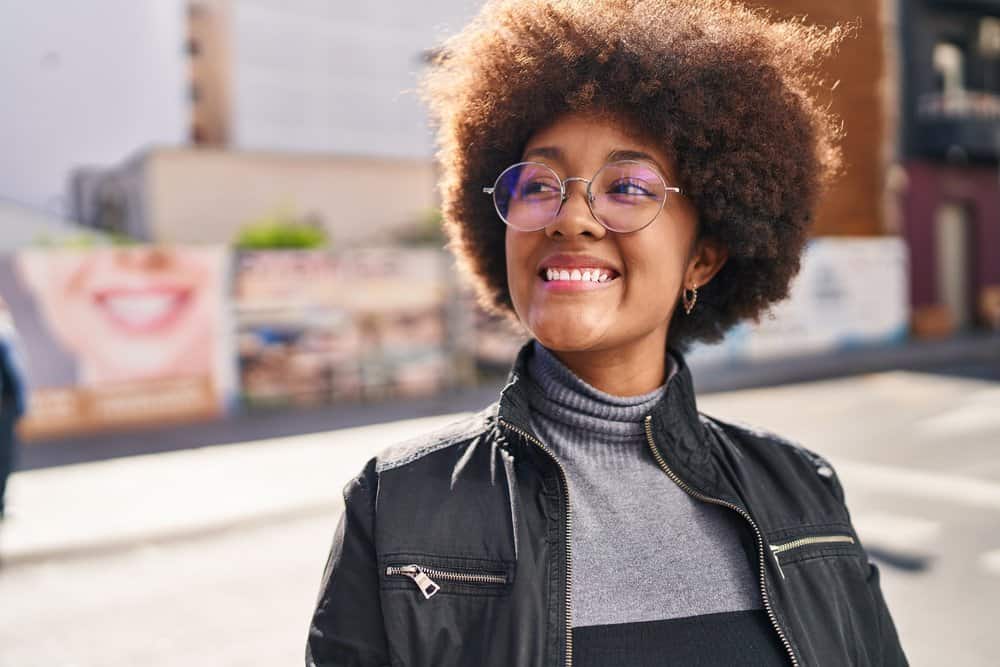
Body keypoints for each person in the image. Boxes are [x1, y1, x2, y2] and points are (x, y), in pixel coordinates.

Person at [306, 1, 908, 665]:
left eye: (625, 185)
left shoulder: (802, 491)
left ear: (703, 257)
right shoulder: (397, 505)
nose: (570, 218)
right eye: (539, 183)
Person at [0, 304, 26, 521]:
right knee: (4, 459)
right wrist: (20, 407)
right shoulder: (3, 334)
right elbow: (14, 374)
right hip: (3, 407)